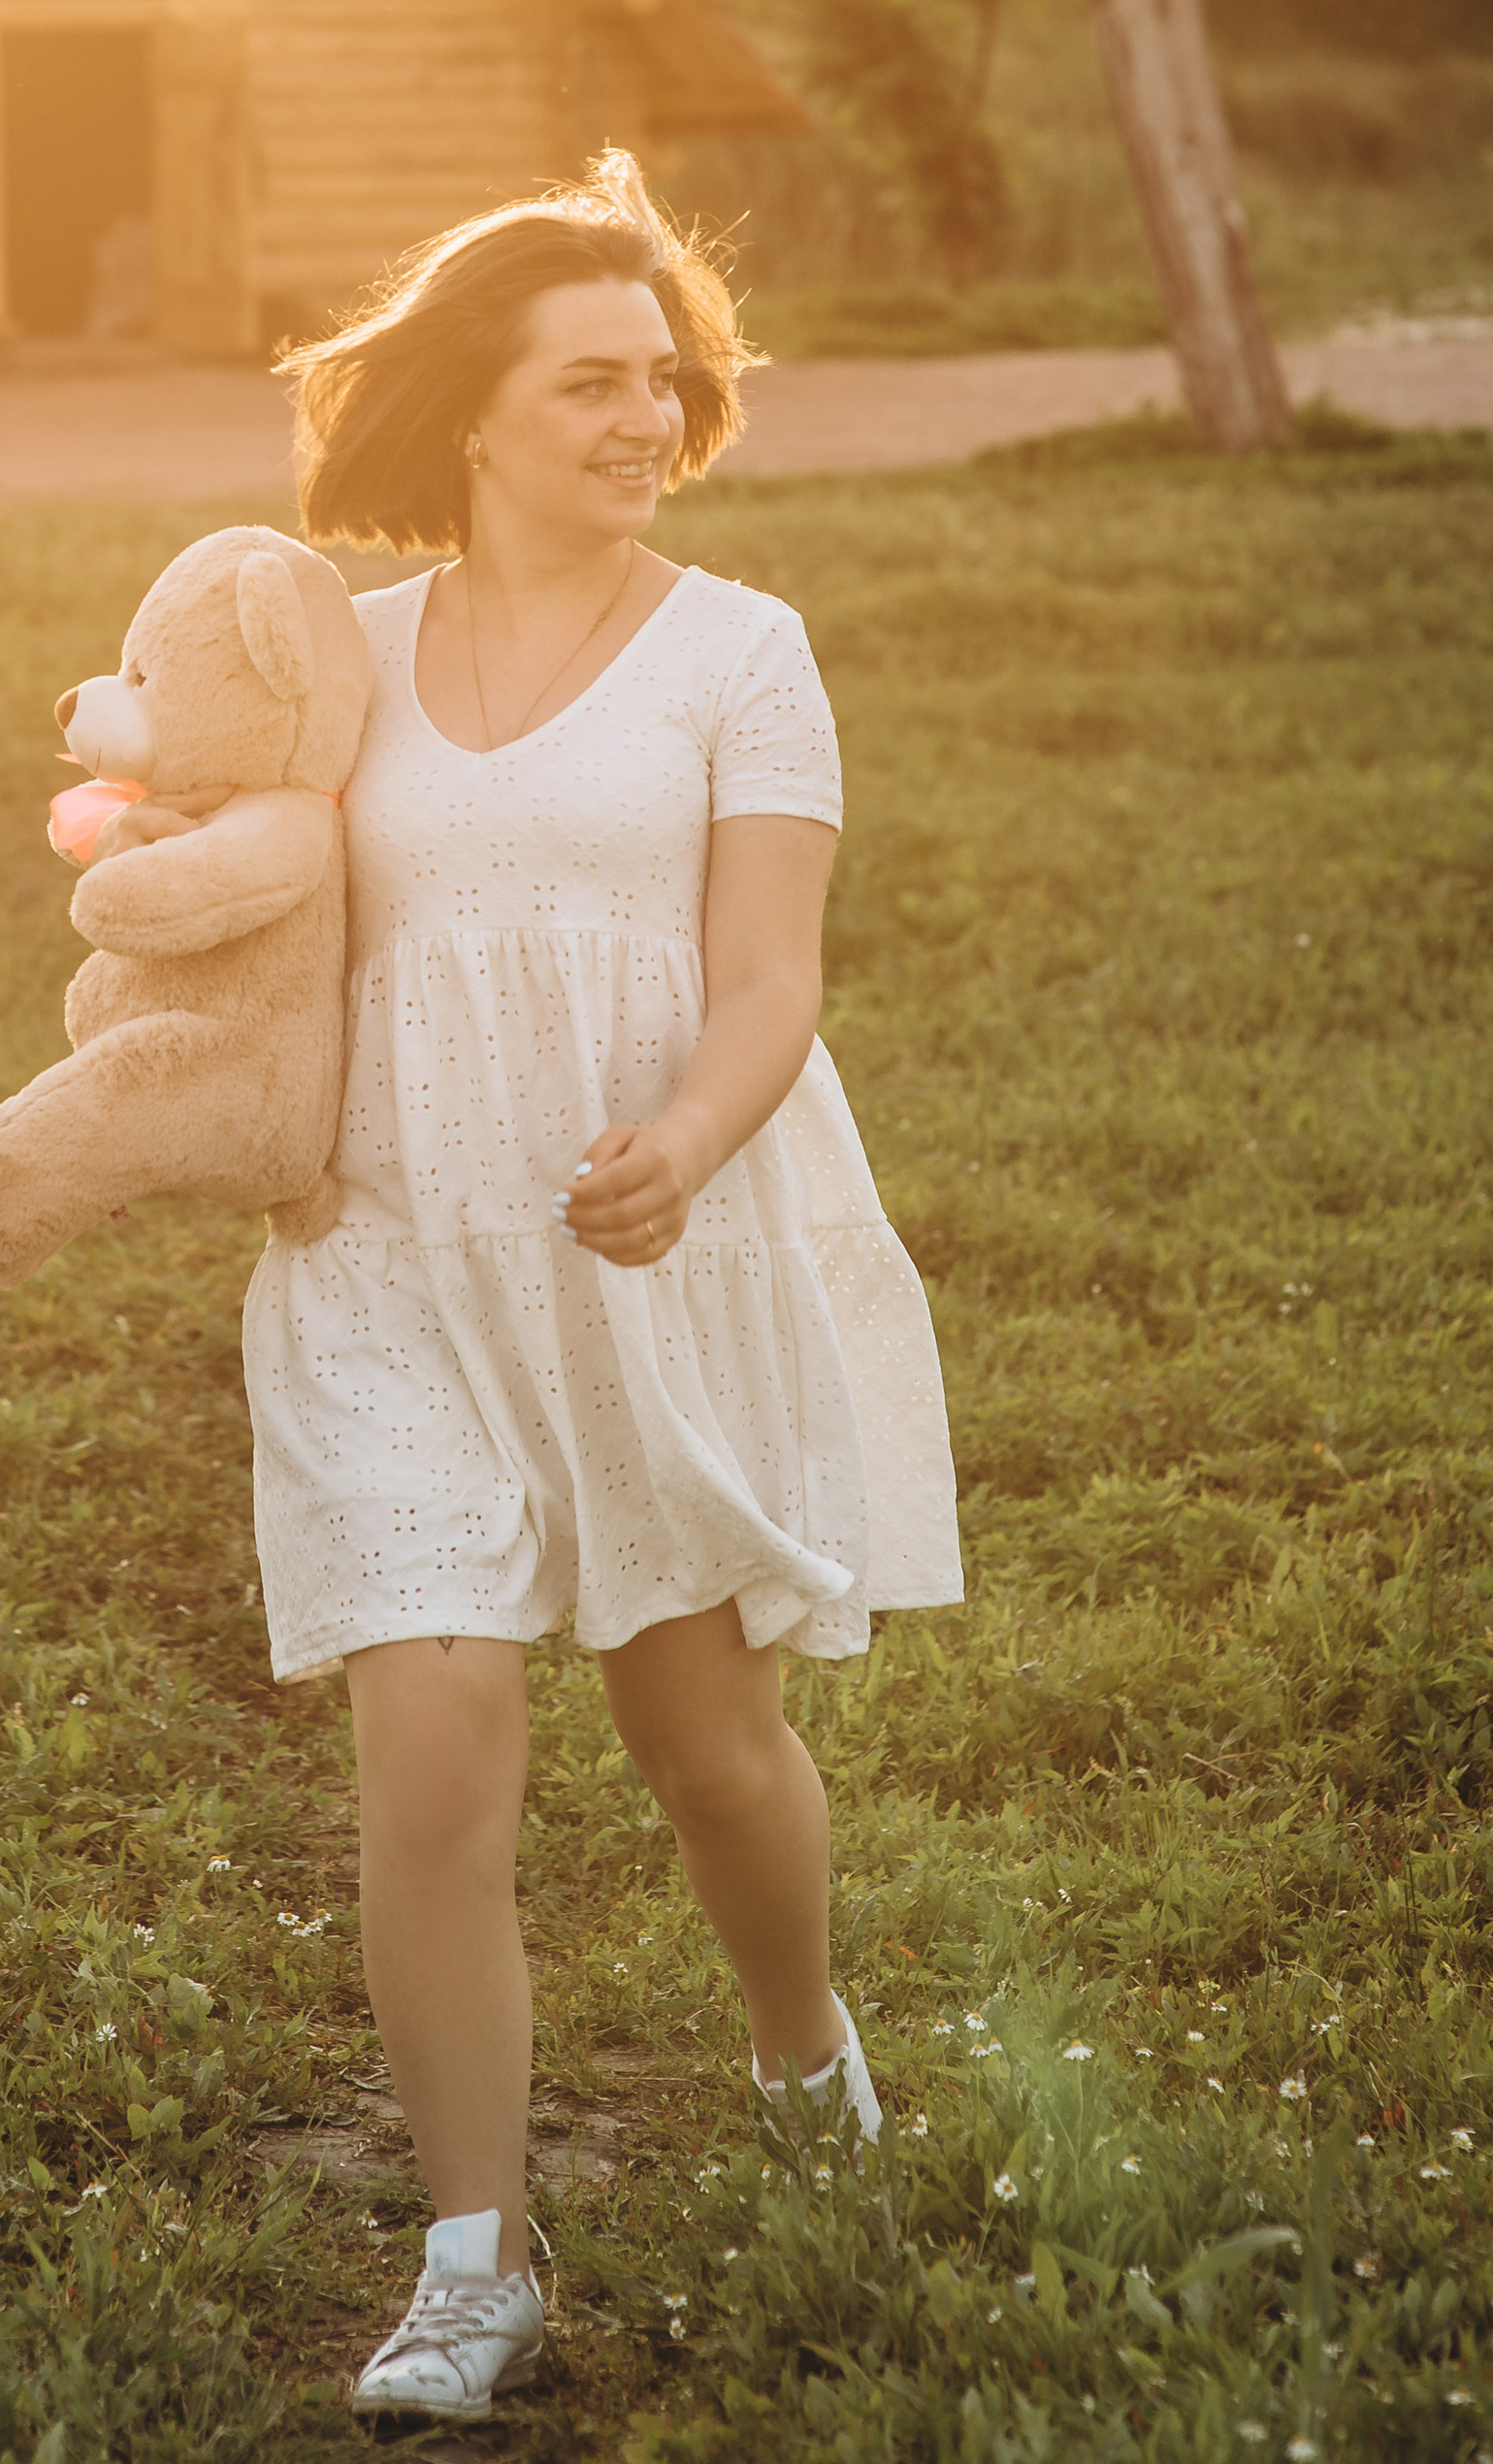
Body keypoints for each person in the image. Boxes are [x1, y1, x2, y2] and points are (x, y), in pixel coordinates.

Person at [254, 151, 962, 2421]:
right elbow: (238, 920)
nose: (639, 419)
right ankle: (473, 2261)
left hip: (638, 1240)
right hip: (376, 1259)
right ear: (469, 407)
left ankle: (795, 2050)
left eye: (661, 381)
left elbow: (769, 980)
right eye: (587, 382)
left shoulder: (740, 655)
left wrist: (678, 1140)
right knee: (432, 1734)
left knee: (701, 1738)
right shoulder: (330, 665)